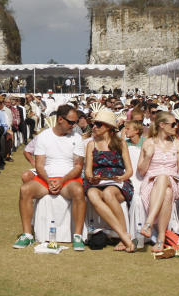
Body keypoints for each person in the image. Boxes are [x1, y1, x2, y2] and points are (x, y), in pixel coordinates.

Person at [12, 105, 86, 251]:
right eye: (71, 122)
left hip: (68, 179)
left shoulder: (77, 138)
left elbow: (78, 166)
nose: (74, 125)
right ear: (60, 119)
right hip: (46, 178)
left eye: (75, 122)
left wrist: (62, 180)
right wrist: (49, 181)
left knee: (78, 191)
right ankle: (27, 234)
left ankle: (77, 236)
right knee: (25, 189)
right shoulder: (44, 136)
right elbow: (39, 165)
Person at [84, 107, 136, 252]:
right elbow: (88, 170)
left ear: (108, 127)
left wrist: (121, 178)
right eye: (93, 124)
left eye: (98, 124)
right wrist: (92, 178)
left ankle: (122, 237)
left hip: (118, 182)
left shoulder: (120, 143)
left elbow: (129, 170)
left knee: (108, 193)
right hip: (97, 181)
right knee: (92, 194)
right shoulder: (91, 144)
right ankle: (125, 236)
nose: (94, 127)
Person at [137, 110, 179, 252]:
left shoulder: (177, 144)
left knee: (165, 178)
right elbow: (141, 171)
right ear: (162, 125)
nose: (176, 127)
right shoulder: (148, 143)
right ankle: (160, 240)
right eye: (173, 124)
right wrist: (148, 156)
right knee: (167, 193)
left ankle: (149, 223)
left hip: (172, 180)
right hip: (151, 183)